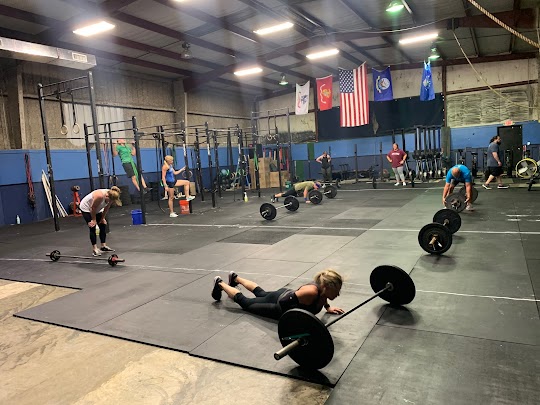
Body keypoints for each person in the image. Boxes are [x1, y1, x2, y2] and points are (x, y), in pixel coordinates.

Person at [211, 269, 345, 320]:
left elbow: (323, 297)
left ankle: (235, 278)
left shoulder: (322, 289)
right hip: (277, 304)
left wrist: (328, 308)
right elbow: (284, 302)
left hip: (284, 294)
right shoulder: (311, 292)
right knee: (246, 303)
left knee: (261, 293)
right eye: (337, 290)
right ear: (326, 287)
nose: (338, 294)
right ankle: (220, 283)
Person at [79, 186, 122, 256]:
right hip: (87, 208)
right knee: (92, 227)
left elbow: (106, 208)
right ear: (107, 196)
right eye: (110, 200)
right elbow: (93, 208)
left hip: (97, 208)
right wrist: (93, 220)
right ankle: (95, 249)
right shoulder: (99, 196)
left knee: (103, 225)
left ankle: (103, 246)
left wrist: (102, 218)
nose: (110, 202)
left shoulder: (112, 195)